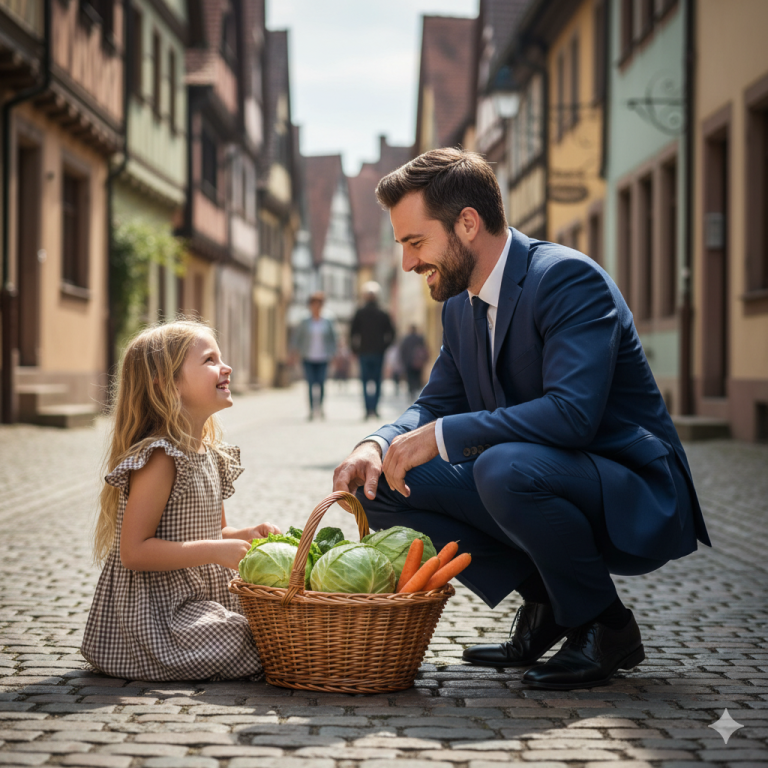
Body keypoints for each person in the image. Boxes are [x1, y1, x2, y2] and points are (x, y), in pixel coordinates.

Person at [333, 148, 711, 691]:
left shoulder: (566, 279)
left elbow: (572, 415)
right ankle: (550, 603)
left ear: (467, 223)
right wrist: (377, 442)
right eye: (403, 246)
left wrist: (441, 437)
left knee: (503, 467)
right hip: (543, 474)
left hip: (627, 482)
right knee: (383, 483)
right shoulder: (460, 305)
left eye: (415, 243)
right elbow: (437, 399)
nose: (408, 264)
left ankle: (606, 625)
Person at [81, 319, 280, 681]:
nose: (226, 367)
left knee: (273, 622)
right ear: (169, 382)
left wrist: (247, 533)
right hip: (157, 614)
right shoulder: (160, 458)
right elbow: (134, 551)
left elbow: (216, 531)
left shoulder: (211, 454)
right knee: (246, 637)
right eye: (209, 360)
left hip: (198, 600)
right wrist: (214, 552)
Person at [350, 281, 395, 419]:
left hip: (364, 352)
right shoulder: (383, 312)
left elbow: (352, 333)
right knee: (377, 382)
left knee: (365, 382)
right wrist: (384, 347)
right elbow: (392, 333)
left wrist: (355, 349)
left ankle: (368, 409)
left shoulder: (360, 312)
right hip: (378, 352)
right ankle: (374, 409)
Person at [293, 292, 337, 420]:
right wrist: (294, 352)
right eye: (314, 304)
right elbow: (297, 338)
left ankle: (321, 408)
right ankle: (312, 410)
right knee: (311, 384)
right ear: (310, 305)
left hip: (324, 357)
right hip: (308, 356)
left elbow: (334, 338)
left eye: (319, 304)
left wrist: (334, 354)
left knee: (322, 384)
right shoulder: (304, 320)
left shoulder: (328, 320)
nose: (316, 307)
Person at [399, 325, 429, 399]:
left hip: (408, 361)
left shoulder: (406, 339)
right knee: (417, 376)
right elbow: (424, 349)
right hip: (418, 362)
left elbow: (402, 351)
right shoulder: (419, 339)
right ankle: (415, 389)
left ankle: (411, 390)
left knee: (410, 377)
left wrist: (403, 360)